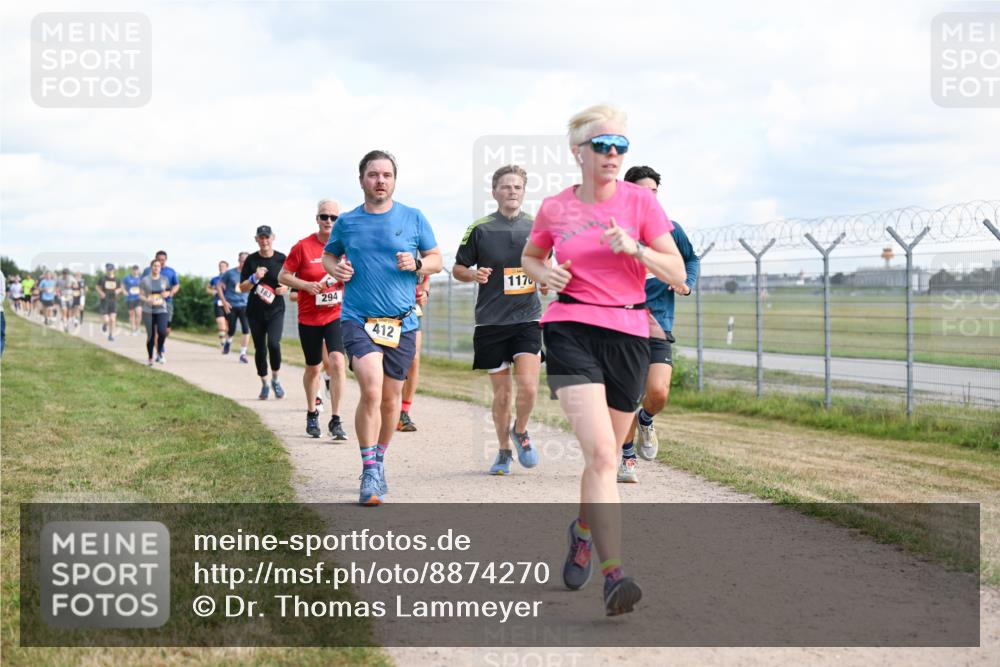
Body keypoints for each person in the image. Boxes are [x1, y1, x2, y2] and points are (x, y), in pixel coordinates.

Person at [521, 104, 685, 616]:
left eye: (620, 146)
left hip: (629, 335)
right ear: (579, 152)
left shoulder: (642, 203)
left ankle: (582, 531)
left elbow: (676, 270)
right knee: (601, 455)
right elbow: (531, 257)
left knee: (607, 458)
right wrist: (544, 275)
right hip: (570, 329)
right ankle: (615, 576)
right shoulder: (555, 207)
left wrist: (636, 249)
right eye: (602, 145)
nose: (612, 154)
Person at [322, 149, 442, 506]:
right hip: (358, 319)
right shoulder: (347, 222)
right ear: (361, 180)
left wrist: (417, 263)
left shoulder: (413, 217)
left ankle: (379, 458)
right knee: (372, 390)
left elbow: (436, 260)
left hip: (402, 322)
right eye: (373, 174)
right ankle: (369, 470)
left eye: (386, 175)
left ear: (394, 180)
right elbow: (330, 254)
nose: (380, 181)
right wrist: (334, 268)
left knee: (390, 402)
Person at [454, 164, 547, 475]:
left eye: (517, 187)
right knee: (503, 395)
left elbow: (546, 264)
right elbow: (458, 268)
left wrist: (545, 281)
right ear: (494, 192)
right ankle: (504, 451)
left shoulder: (536, 227)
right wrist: (473, 274)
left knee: (529, 387)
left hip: (527, 319)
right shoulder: (480, 229)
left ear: (524, 192)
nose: (512, 191)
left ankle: (520, 431)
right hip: (491, 323)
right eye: (506, 186)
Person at [617, 166, 700, 483]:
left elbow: (691, 259)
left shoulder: (669, 230)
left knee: (659, 392)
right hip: (622, 323)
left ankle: (646, 420)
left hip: (658, 322)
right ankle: (627, 458)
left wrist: (686, 284)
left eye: (653, 192)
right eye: (642, 192)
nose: (649, 197)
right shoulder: (616, 231)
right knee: (627, 394)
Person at [278, 199, 349, 440]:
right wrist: (305, 285)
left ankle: (336, 420)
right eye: (324, 216)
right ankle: (312, 412)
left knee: (337, 362)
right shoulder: (303, 247)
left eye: (333, 217)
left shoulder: (346, 247)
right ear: (317, 219)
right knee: (313, 367)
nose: (329, 221)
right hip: (309, 317)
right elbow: (283, 276)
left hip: (336, 314)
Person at [241, 227, 289, 398]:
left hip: (276, 309)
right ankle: (264, 384)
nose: (264, 241)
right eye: (261, 238)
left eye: (267, 237)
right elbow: (242, 287)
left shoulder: (281, 258)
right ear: (256, 239)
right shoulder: (251, 260)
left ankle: (275, 379)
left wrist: (285, 287)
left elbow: (290, 279)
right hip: (255, 311)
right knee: (260, 348)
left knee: (274, 344)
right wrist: (254, 278)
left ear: (273, 238)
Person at [396, 275, 429, 432]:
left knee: (413, 359)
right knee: (384, 360)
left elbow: (425, 279)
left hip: (411, 310)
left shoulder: (421, 260)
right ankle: (384, 407)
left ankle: (404, 413)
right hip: (383, 308)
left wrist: (425, 293)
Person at [142, 251, 180, 356]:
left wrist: (171, 293)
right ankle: (160, 352)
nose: (161, 262)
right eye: (159, 260)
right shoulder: (147, 271)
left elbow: (176, 285)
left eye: (163, 260)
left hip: (167, 303)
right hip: (152, 305)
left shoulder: (171, 271)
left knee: (165, 330)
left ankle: (160, 344)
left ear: (166, 260)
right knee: (155, 330)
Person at [218, 252, 250, 363]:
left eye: (246, 261)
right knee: (231, 329)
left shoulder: (251, 274)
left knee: (246, 329)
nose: (244, 263)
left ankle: (243, 354)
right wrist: (224, 301)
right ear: (238, 260)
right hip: (231, 305)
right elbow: (219, 286)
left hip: (245, 305)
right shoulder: (230, 273)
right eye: (242, 261)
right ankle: (228, 342)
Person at [140, 259, 171, 365]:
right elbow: (140, 294)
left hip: (162, 309)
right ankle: (150, 357)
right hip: (148, 311)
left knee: (162, 332)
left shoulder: (164, 279)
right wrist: (147, 299)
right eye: (154, 265)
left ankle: (159, 352)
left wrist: (167, 294)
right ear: (151, 267)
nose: (156, 267)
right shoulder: (145, 280)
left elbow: (168, 291)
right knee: (151, 335)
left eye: (158, 266)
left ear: (160, 268)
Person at [95, 263, 123, 341]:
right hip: (104, 301)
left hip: (113, 301)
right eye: (108, 269)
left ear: (113, 270)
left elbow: (121, 288)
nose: (109, 271)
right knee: (106, 320)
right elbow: (97, 287)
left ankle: (111, 335)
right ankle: (105, 324)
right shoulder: (102, 279)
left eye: (110, 269)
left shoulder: (117, 279)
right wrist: (101, 293)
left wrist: (118, 291)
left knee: (113, 319)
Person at [209, 260, 230, 351]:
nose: (221, 267)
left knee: (228, 326)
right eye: (220, 266)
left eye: (223, 266)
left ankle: (227, 341)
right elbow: (208, 288)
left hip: (229, 303)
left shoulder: (230, 278)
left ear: (227, 268)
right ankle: (223, 342)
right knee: (221, 323)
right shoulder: (215, 279)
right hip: (218, 303)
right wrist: (212, 291)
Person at [123, 265, 143, 335]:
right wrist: (124, 291)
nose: (135, 271)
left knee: (139, 313)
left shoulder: (141, 278)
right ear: (132, 270)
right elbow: (122, 285)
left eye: (136, 270)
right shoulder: (127, 278)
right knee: (132, 315)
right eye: (134, 269)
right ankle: (133, 330)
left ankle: (137, 329)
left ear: (138, 270)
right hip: (129, 299)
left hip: (138, 298)